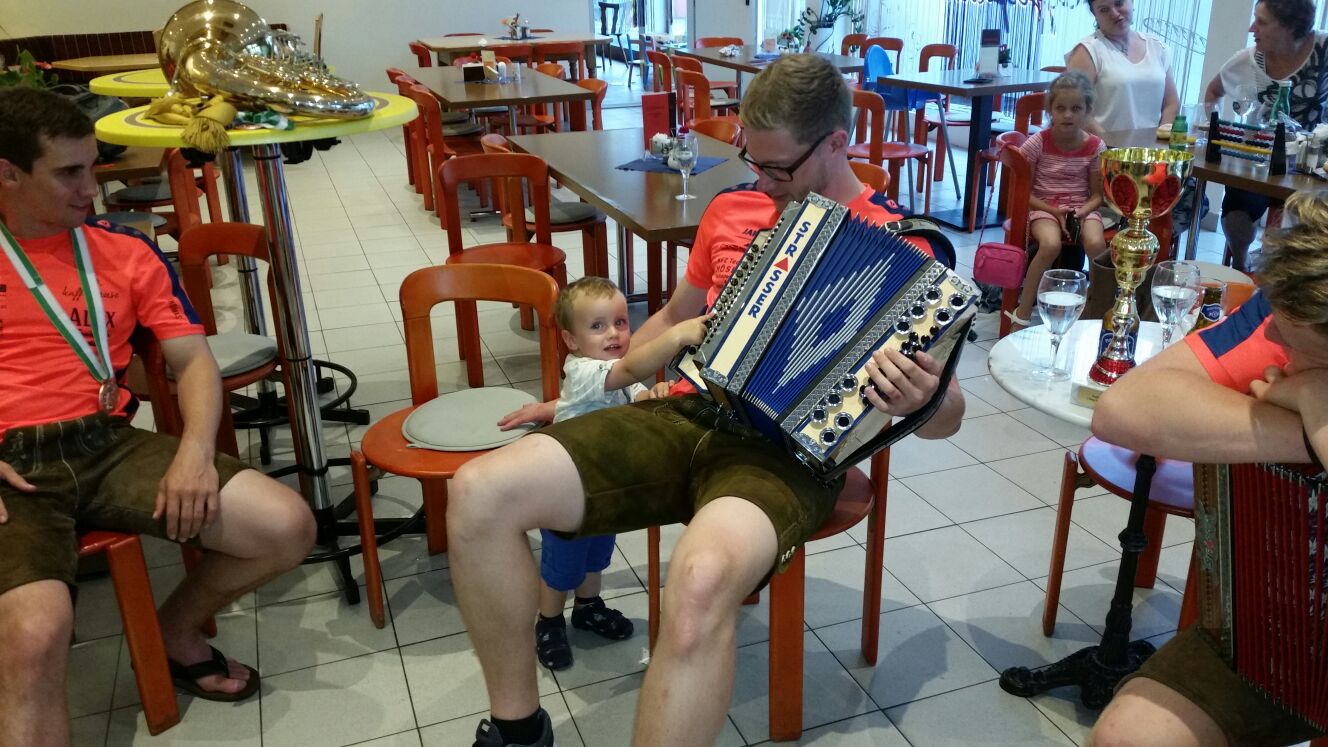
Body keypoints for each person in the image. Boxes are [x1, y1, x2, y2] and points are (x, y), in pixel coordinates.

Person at [449, 54, 966, 747]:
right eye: (754, 161)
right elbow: (671, 317)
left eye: (779, 168)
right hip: (687, 411)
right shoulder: (730, 209)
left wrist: (923, 397)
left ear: (837, 143)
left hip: (787, 456)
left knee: (696, 582)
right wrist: (582, 390)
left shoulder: (904, 246)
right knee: (478, 491)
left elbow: (948, 415)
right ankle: (519, 732)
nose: (763, 182)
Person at [0, 87, 316, 746]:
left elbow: (193, 361)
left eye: (93, 166)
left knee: (285, 526)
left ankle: (175, 630)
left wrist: (194, 453)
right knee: (35, 635)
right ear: (8, 173)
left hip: (105, 441)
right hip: (11, 466)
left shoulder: (123, 250)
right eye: (69, 172)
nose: (92, 188)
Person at [1089, 187, 1328, 747]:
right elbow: (1125, 408)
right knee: (1129, 737)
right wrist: (1310, 420)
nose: (1273, 338)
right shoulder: (1287, 307)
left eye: (1297, 342)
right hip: (1273, 636)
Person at [533, 276, 707, 671]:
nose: (613, 333)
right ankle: (549, 621)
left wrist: (654, 393)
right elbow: (627, 372)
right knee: (562, 562)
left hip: (603, 485)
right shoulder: (583, 371)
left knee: (596, 553)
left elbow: (635, 392)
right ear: (571, 340)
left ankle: (588, 606)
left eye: (620, 322)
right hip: (566, 489)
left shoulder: (614, 369)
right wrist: (674, 335)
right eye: (597, 326)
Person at [1203, 0, 1328, 271]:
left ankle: (1290, 276)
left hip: (1312, 169)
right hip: (1259, 161)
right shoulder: (1249, 60)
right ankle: (1242, 264)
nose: (1251, 28)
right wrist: (1213, 124)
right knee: (1235, 214)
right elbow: (1213, 92)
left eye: (1261, 22)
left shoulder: (1324, 49)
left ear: (1290, 27)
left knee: (1307, 223)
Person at [1010, 71, 1109, 328]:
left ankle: (1095, 311)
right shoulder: (1037, 143)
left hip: (1081, 208)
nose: (1068, 115)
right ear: (1050, 111)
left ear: (1088, 111)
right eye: (1061, 108)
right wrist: (1054, 211)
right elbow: (1024, 193)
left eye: (1076, 108)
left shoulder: (1096, 146)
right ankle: (1022, 312)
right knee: (1050, 244)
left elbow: (1097, 196)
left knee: (1096, 245)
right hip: (1043, 206)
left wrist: (1082, 211)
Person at [1065, 0, 1180, 137]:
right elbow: (1074, 107)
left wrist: (1162, 137)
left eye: (1119, 3)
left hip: (1151, 147)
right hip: (1104, 146)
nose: (1114, 13)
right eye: (1104, 9)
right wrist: (1110, 143)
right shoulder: (1087, 51)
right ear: (1094, 14)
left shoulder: (1157, 47)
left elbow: (1171, 103)